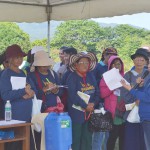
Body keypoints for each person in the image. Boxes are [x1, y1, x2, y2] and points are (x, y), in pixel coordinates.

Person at [0, 44, 35, 150]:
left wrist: (31, 93)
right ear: (9, 59)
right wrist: (23, 91)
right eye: (16, 57)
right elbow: (5, 95)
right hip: (13, 116)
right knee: (13, 145)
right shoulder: (6, 74)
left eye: (21, 57)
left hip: (26, 115)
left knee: (25, 144)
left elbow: (31, 88)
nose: (20, 60)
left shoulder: (22, 73)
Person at [66, 52, 100, 150]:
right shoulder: (72, 77)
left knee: (87, 138)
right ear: (76, 65)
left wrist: (93, 103)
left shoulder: (91, 75)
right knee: (76, 138)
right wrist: (85, 105)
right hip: (76, 113)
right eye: (82, 63)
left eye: (87, 63)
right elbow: (72, 96)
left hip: (90, 112)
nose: (85, 65)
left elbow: (97, 91)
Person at [29, 50, 61, 150]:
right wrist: (44, 90)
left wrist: (56, 90)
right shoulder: (32, 76)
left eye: (47, 65)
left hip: (54, 110)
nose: (45, 67)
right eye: (42, 65)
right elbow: (33, 94)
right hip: (40, 110)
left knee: (52, 137)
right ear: (37, 65)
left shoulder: (53, 74)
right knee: (40, 137)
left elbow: (61, 92)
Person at [120, 48, 150, 150]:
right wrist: (135, 101)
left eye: (142, 60)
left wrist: (140, 98)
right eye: (137, 59)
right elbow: (124, 92)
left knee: (144, 139)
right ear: (133, 60)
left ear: (146, 62)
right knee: (131, 138)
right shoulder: (128, 75)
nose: (139, 62)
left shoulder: (148, 74)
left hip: (145, 111)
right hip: (132, 110)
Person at [92, 47, 118, 150]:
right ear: (104, 55)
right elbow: (95, 85)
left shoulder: (114, 68)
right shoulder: (98, 67)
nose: (110, 57)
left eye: (114, 55)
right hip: (100, 104)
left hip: (112, 105)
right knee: (99, 133)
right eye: (108, 55)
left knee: (109, 133)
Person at [100, 56, 125, 150]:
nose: (116, 66)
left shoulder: (125, 76)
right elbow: (102, 94)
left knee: (123, 137)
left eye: (118, 64)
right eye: (113, 64)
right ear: (110, 66)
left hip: (124, 111)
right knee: (112, 137)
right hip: (112, 112)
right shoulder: (105, 77)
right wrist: (113, 87)